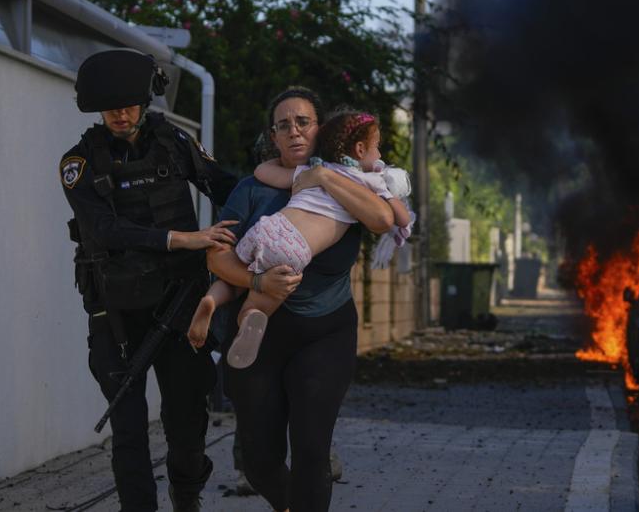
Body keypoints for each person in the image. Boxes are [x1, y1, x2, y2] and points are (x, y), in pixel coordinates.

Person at [60, 49, 239, 512]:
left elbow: (224, 187)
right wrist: (181, 238)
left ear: (145, 101)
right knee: (130, 426)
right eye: (111, 106)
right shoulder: (79, 162)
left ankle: (186, 498)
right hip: (116, 312)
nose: (121, 114)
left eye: (129, 104)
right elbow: (105, 230)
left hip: (180, 304)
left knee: (186, 421)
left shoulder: (174, 143)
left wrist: (280, 193)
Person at [206, 87, 395, 512]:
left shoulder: (349, 181)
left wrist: (324, 176)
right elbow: (217, 255)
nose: (293, 132)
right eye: (283, 125)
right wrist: (258, 284)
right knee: (259, 460)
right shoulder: (252, 188)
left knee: (312, 448)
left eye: (303, 122)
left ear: (321, 130)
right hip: (259, 333)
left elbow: (384, 220)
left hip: (325, 333)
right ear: (273, 136)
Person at [186, 110, 412, 369]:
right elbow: (400, 219)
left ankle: (211, 300)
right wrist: (393, 195)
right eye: (377, 148)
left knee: (234, 275)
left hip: (269, 227)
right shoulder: (370, 183)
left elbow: (263, 171)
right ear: (360, 149)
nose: (380, 155)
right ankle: (251, 317)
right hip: (295, 249)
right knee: (262, 299)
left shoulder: (314, 169)